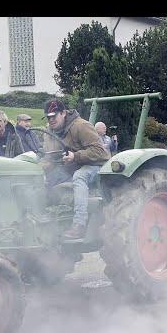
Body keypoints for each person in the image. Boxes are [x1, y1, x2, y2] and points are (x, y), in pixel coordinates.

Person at [42, 99, 110, 239]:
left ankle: (79, 224)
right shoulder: (49, 132)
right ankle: (48, 221)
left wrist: (76, 156)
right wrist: (38, 170)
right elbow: (50, 157)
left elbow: (101, 153)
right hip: (68, 168)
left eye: (54, 116)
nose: (51, 120)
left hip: (96, 166)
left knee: (79, 176)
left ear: (63, 113)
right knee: (43, 179)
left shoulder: (81, 126)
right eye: (48, 117)